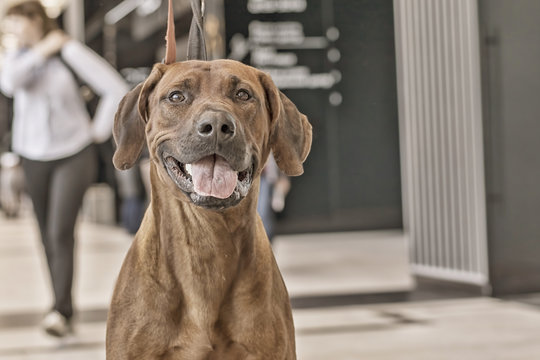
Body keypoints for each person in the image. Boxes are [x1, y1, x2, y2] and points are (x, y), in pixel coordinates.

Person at [0, 1, 128, 337]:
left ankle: (60, 310)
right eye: (9, 27)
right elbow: (9, 84)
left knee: (60, 230)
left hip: (73, 154)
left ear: (35, 20)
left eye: (18, 24)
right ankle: (59, 301)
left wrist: (95, 132)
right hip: (32, 155)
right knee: (45, 234)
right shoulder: (16, 58)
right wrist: (43, 48)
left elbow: (114, 87)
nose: (13, 32)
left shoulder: (69, 51)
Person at [257, 153, 291, 242]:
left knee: (265, 213)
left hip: (271, 180)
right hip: (259, 179)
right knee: (262, 212)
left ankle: (265, 239)